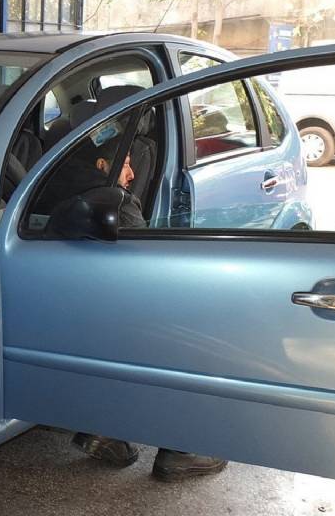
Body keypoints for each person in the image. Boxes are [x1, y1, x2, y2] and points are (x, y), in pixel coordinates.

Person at [57, 133, 230, 482]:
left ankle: (103, 430)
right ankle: (180, 450)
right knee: (197, 337)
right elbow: (146, 264)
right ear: (102, 166)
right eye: (125, 165)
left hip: (74, 307)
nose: (133, 174)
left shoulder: (51, 183)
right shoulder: (114, 200)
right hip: (122, 312)